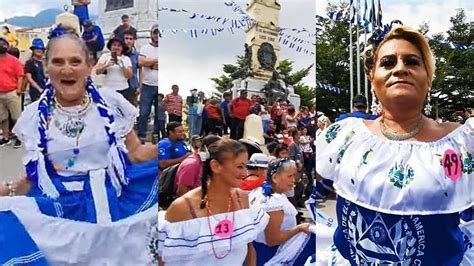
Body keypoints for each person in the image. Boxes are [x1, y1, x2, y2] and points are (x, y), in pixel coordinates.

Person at [315, 26, 474, 264]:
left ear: (428, 77)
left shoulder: (463, 142)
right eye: (388, 63)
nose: (400, 69)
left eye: (412, 62)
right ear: (373, 79)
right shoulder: (343, 135)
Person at [0, 33, 158, 264]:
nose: (67, 69)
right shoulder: (34, 116)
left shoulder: (110, 103)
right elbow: (33, 177)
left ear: (89, 67)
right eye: (58, 62)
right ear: (46, 68)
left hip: (114, 198)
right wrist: (6, 189)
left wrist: (167, 150)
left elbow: (135, 153)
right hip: (64, 206)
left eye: (75, 61)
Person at [158, 138, 269, 265]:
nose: (245, 173)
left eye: (245, 166)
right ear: (215, 166)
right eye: (239, 166)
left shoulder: (242, 199)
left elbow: (249, 248)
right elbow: (164, 259)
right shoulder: (183, 207)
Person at [249, 158, 315, 265]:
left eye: (294, 176)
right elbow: (272, 240)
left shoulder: (259, 191)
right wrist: (299, 228)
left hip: (258, 250)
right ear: (275, 177)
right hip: (271, 253)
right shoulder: (274, 201)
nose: (293, 180)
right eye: (289, 176)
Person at [0, 37, 23, 148]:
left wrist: (19, 89)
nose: (2, 45)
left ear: (7, 46)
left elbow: (20, 75)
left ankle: (19, 137)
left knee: (16, 117)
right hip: (0, 94)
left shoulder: (13, 60)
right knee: (2, 118)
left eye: (3, 43)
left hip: (12, 92)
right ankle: (5, 137)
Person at [138, 25, 159, 143]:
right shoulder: (145, 48)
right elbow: (141, 62)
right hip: (147, 85)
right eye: (155, 33)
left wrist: (149, 63)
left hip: (160, 85)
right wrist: (154, 63)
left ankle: (156, 135)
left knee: (158, 114)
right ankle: (141, 135)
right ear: (151, 34)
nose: (157, 35)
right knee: (144, 112)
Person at [25, 38, 47, 103]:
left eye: (40, 49)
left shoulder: (45, 61)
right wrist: (39, 89)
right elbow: (29, 78)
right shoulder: (30, 62)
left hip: (46, 89)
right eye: (37, 49)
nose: (39, 50)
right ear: (33, 50)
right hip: (36, 92)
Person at [122, 29, 141, 106]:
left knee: (132, 112)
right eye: (126, 38)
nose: (128, 41)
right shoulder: (118, 54)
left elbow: (141, 71)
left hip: (132, 88)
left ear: (133, 41)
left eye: (131, 39)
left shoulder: (137, 55)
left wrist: (140, 87)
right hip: (119, 87)